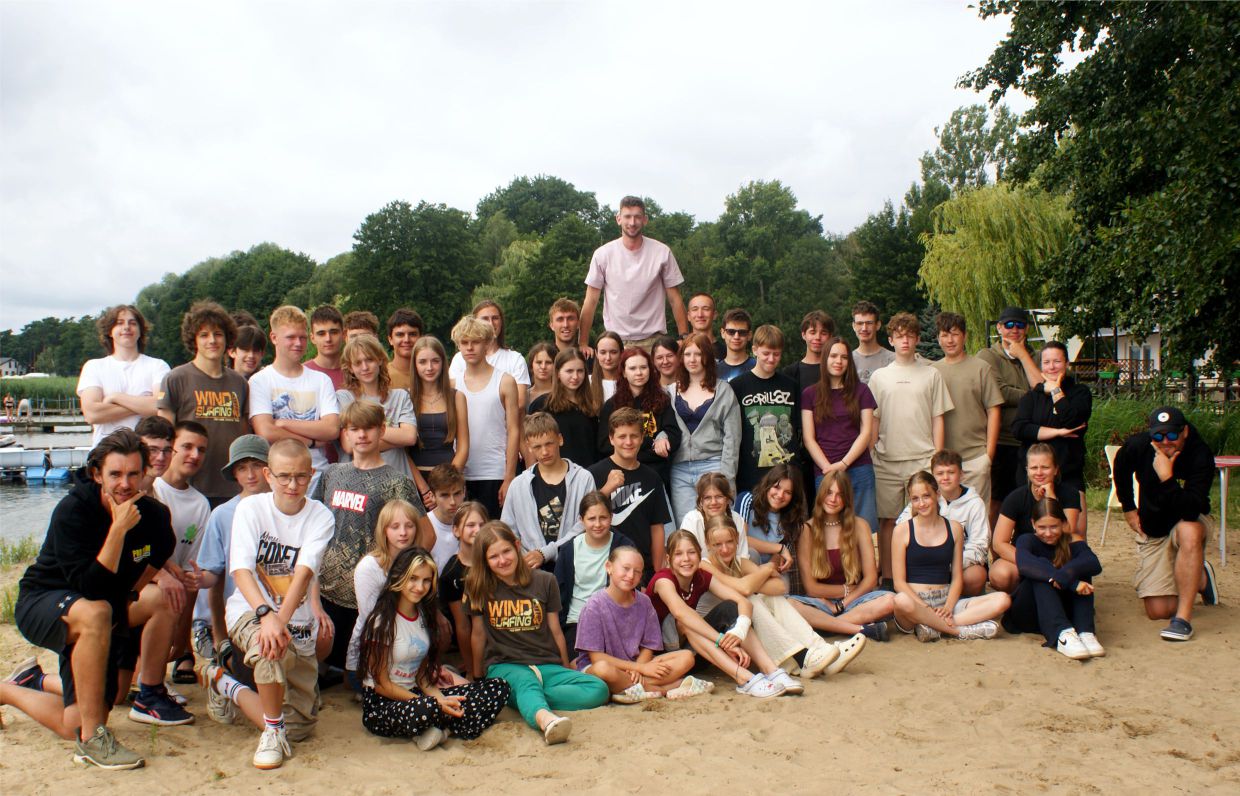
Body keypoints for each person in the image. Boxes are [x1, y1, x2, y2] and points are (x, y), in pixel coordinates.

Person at [2, 430, 179, 769]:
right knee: (96, 611)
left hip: (99, 615)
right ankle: (92, 740)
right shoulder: (73, 510)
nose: (125, 484)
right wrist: (118, 530)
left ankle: (17, 686)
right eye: (115, 474)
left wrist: (129, 597)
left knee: (83, 715)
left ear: (144, 473)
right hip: (44, 602)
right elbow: (92, 587)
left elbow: (157, 555)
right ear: (97, 474)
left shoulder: (155, 516)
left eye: (133, 474)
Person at [225, 439, 335, 769]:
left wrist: (279, 620)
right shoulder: (250, 508)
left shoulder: (320, 516)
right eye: (284, 476)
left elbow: (304, 573)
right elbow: (241, 570)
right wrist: (266, 616)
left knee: (300, 728)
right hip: (249, 609)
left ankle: (224, 683)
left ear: (311, 474)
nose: (292, 485)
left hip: (294, 617)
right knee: (267, 648)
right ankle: (272, 731)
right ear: (268, 475)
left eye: (300, 476)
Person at [466, 521, 609, 744]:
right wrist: (477, 678)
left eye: (506, 551)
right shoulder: (479, 586)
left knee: (598, 689)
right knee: (525, 680)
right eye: (493, 557)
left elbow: (555, 630)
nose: (502, 560)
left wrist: (563, 665)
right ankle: (545, 719)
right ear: (484, 560)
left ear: (517, 546)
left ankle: (522, 699)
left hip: (545, 663)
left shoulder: (545, 581)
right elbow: (478, 634)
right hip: (505, 665)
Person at [310, 401, 429, 671]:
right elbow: (313, 523)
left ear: (382, 430)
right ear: (346, 433)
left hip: (369, 596)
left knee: (361, 671)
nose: (362, 435)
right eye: (354, 429)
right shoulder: (332, 474)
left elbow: (425, 536)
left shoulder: (397, 481)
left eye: (369, 428)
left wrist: (398, 577)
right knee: (325, 666)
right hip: (327, 591)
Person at [357, 547, 509, 749]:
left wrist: (442, 700)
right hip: (384, 703)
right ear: (399, 577)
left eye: (426, 580)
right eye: (413, 578)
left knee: (498, 687)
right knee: (426, 708)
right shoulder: (381, 621)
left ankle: (441, 729)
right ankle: (443, 723)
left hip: (418, 694)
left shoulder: (423, 615)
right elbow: (381, 685)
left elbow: (422, 677)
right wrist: (435, 704)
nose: (419, 587)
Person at [700, 515, 853, 678]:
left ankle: (820, 649)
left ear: (737, 539)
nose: (725, 549)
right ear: (708, 544)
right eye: (717, 544)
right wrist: (766, 570)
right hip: (711, 631)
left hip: (739, 629)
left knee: (771, 598)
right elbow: (744, 589)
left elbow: (779, 587)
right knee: (751, 599)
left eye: (729, 542)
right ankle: (801, 658)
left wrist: (753, 581)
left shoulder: (740, 562)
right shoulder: (704, 565)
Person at [1114, 406, 1218, 642]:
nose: (1165, 442)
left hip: (1189, 518)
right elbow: (1120, 466)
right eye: (1158, 436)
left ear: (1185, 432)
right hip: (1155, 527)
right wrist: (1128, 508)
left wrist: (1167, 478)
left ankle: (1182, 620)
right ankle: (1201, 577)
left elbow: (1191, 510)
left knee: (1189, 531)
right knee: (1158, 611)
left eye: (1172, 435)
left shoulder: (1200, 454)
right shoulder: (1139, 445)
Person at [646, 530, 791, 698]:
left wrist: (739, 631)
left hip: (695, 652)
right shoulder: (663, 580)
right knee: (686, 621)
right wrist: (721, 641)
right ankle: (743, 677)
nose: (686, 559)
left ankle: (770, 669)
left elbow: (743, 602)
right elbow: (681, 613)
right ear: (669, 559)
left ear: (699, 555)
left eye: (691, 552)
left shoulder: (701, 576)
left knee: (730, 608)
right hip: (665, 658)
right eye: (678, 554)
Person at [869, 312, 953, 587]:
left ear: (917, 339)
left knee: (922, 517)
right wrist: (871, 451)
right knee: (888, 521)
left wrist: (938, 457)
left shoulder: (931, 374)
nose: (904, 341)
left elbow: (938, 418)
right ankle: (888, 578)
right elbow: (874, 419)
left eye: (909, 336)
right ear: (891, 340)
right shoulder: (879, 377)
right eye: (899, 336)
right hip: (887, 460)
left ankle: (917, 576)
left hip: (922, 458)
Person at [573, 546, 709, 703]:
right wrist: (640, 668)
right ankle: (662, 688)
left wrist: (639, 667)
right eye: (625, 568)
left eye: (637, 572)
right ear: (609, 567)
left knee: (686, 657)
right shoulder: (594, 606)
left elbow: (648, 646)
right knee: (603, 669)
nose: (631, 575)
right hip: (605, 668)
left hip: (638, 665)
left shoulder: (644, 602)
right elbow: (596, 658)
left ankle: (630, 688)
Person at [192, 434, 270, 699]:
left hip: (283, 612)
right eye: (242, 467)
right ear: (234, 473)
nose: (250, 474)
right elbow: (215, 579)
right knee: (255, 686)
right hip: (240, 617)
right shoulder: (222, 514)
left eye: (257, 465)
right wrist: (220, 636)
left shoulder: (287, 508)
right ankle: (220, 678)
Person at [891, 471, 1010, 641]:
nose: (921, 503)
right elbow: (899, 583)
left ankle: (935, 627)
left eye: (926, 496)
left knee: (1003, 599)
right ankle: (959, 631)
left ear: (937, 494)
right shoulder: (901, 531)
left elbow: (957, 577)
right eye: (915, 499)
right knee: (900, 600)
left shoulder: (954, 529)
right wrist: (925, 607)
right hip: (914, 603)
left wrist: (948, 606)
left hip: (945, 602)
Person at [157, 300, 249, 506]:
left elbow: (243, 436)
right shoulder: (175, 378)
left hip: (231, 486)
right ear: (194, 339)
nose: (212, 340)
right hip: (188, 484)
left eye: (218, 334)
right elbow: (164, 434)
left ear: (227, 338)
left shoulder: (240, 383)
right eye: (204, 335)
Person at [789, 471, 894, 641]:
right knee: (789, 605)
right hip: (821, 603)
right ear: (821, 494)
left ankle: (825, 627)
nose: (833, 499)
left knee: (890, 600)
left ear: (847, 499)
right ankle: (860, 628)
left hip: (854, 601)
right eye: (829, 492)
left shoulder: (860, 525)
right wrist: (843, 591)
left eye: (839, 494)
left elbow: (870, 579)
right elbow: (811, 588)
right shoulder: (807, 529)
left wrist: (842, 604)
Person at [248, 306, 340, 493]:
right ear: (274, 338)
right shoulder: (260, 380)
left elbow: (331, 429)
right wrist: (311, 441)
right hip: (277, 481)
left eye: (302, 337)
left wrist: (283, 423)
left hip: (317, 478)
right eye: (290, 337)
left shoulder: (321, 380)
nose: (298, 343)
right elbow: (266, 431)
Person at [579, 196, 688, 354]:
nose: (632, 222)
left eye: (637, 217)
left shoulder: (662, 252)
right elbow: (591, 301)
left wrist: (684, 336)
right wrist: (583, 342)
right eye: (627, 216)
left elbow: (674, 298)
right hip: (616, 342)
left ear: (645, 220)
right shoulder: (603, 254)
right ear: (618, 219)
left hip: (654, 340)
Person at [150, 421, 213, 688]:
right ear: (171, 448)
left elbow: (190, 573)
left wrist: (182, 637)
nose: (194, 455)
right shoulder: (151, 488)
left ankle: (183, 647)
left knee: (187, 582)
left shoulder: (200, 504)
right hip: (147, 580)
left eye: (201, 450)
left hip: (176, 588)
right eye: (187, 446)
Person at [1001, 497, 1104, 660]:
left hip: (1062, 609)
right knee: (1041, 570)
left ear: (1063, 524)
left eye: (1054, 526)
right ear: (1033, 524)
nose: (1048, 533)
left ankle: (1085, 631)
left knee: (1080, 569)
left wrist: (1066, 576)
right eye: (1042, 527)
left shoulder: (1072, 541)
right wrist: (1071, 583)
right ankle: (1062, 634)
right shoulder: (1027, 540)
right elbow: (1025, 565)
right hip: (1028, 612)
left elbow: (1094, 563)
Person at [1012, 341, 1091, 536]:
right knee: (1033, 530)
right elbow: (1019, 429)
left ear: (1067, 363)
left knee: (1075, 532)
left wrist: (1056, 391)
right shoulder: (1031, 397)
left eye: (1057, 361)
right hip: (1034, 475)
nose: (1052, 367)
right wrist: (1058, 432)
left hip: (1068, 471)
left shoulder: (1080, 393)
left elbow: (1073, 420)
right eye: (1046, 362)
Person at [801, 336, 878, 534]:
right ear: (825, 358)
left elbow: (866, 432)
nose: (838, 361)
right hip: (825, 470)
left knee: (866, 529)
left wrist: (843, 464)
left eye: (844, 357)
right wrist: (828, 468)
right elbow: (809, 438)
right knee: (829, 531)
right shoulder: (810, 394)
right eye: (833, 356)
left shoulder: (862, 391)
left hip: (859, 468)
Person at [502, 412, 597, 571]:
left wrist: (545, 553)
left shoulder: (583, 478)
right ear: (528, 446)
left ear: (560, 439)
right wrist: (525, 559)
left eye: (549, 444)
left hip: (573, 565)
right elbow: (508, 530)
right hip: (531, 569)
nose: (545, 452)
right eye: (537, 447)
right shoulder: (518, 485)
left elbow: (586, 525)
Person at [587, 407, 672, 582]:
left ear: (642, 438)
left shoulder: (652, 478)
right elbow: (583, 518)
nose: (628, 442)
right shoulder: (593, 474)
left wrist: (657, 574)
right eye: (622, 436)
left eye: (634, 436)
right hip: (603, 566)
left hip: (641, 569)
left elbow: (657, 527)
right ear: (611, 438)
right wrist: (607, 489)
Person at [977, 306, 1043, 527]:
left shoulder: (1037, 356)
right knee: (997, 501)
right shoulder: (987, 356)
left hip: (1031, 440)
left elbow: (1044, 386)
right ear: (999, 327)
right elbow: (999, 393)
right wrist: (1034, 395)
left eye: (1020, 325)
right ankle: (992, 545)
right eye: (1009, 325)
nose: (1014, 330)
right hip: (1002, 440)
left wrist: (1023, 355)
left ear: (1027, 329)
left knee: (1030, 498)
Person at [344, 503, 422, 683]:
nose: (403, 533)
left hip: (411, 650)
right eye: (395, 527)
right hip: (375, 654)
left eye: (409, 526)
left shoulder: (420, 562)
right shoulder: (369, 567)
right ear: (384, 530)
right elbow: (371, 618)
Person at [668, 333, 741, 524]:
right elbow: (663, 426)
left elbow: (732, 438)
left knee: (717, 524)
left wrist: (727, 477)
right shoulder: (670, 391)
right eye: (687, 354)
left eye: (698, 354)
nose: (692, 359)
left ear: (707, 357)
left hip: (713, 465)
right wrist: (660, 436)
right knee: (686, 527)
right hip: (680, 469)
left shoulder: (723, 390)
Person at [931, 312, 1003, 507]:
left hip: (975, 457)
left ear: (965, 336)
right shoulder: (932, 371)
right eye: (944, 335)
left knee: (977, 516)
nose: (950, 340)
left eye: (955, 334)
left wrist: (988, 456)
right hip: (943, 462)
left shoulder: (981, 368)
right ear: (938, 338)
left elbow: (994, 410)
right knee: (944, 518)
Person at [896, 450, 991, 596]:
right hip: (925, 565)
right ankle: (920, 601)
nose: (945, 478)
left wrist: (949, 563)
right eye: (940, 473)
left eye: (951, 472)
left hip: (960, 565)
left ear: (961, 474)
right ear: (933, 476)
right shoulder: (924, 498)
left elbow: (980, 545)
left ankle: (959, 602)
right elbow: (902, 526)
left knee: (976, 575)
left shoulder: (974, 503)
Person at [451, 315, 520, 518]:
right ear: (458, 346)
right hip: (461, 472)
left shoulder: (505, 381)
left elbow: (514, 430)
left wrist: (509, 476)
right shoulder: (452, 384)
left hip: (494, 471)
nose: (470, 348)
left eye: (476, 342)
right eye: (464, 342)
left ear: (488, 343)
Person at [990, 444, 1082, 593]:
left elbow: (1067, 531)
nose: (1039, 472)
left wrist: (1051, 498)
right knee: (1000, 574)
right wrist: (1032, 563)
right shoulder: (1016, 497)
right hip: (1025, 555)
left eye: (1045, 467)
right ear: (1027, 470)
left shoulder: (1070, 494)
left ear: (1056, 469)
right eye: (1034, 468)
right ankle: (1021, 597)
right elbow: (999, 543)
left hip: (1059, 556)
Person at [77, 305, 170, 446]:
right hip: (105, 451)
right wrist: (143, 405)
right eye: (119, 323)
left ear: (140, 331)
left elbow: (161, 406)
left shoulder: (158, 366)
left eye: (132, 323)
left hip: (146, 452)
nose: (126, 327)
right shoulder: (94, 367)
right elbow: (92, 414)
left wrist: (115, 398)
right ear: (110, 331)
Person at [553, 491, 635, 650]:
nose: (597, 524)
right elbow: (558, 593)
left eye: (603, 518)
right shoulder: (569, 549)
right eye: (591, 519)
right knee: (587, 663)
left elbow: (633, 588)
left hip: (615, 622)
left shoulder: (624, 547)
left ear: (611, 517)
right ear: (581, 520)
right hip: (577, 622)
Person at [731, 324, 799, 514]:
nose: (771, 359)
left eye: (776, 354)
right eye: (766, 353)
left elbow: (796, 428)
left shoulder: (790, 385)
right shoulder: (737, 386)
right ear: (754, 350)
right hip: (750, 474)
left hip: (785, 476)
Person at [597, 347, 681, 490]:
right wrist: (653, 444)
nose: (639, 373)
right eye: (632, 368)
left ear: (650, 370)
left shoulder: (662, 401)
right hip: (623, 478)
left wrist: (663, 440)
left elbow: (674, 436)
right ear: (624, 372)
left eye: (643, 367)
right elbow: (604, 445)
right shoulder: (612, 405)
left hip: (656, 476)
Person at [336, 334, 418, 479]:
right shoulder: (344, 398)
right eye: (358, 363)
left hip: (397, 479)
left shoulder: (400, 396)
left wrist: (363, 442)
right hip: (358, 481)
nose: (365, 367)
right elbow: (349, 446)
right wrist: (397, 439)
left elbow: (410, 437)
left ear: (380, 360)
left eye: (370, 360)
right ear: (350, 367)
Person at [409, 336, 469, 510]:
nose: (429, 367)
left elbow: (464, 447)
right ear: (415, 365)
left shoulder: (457, 397)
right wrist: (425, 490)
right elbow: (402, 452)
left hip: (450, 483)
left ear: (443, 363)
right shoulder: (406, 397)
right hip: (415, 482)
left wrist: (445, 487)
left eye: (435, 361)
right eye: (423, 362)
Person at [449, 300, 532, 409]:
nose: (491, 323)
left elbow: (519, 402)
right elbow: (452, 397)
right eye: (485, 319)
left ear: (501, 322)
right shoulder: (459, 359)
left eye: (495, 318)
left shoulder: (515, 359)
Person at [528, 347, 599, 469]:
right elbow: (532, 443)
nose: (575, 376)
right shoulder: (542, 405)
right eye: (569, 371)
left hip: (587, 474)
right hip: (553, 474)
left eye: (580, 371)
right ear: (558, 373)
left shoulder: (590, 406)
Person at [440, 501, 488, 675]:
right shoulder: (451, 572)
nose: (477, 530)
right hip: (473, 634)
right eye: (470, 525)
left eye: (482, 525)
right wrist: (471, 668)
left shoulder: (496, 560)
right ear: (456, 530)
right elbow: (463, 626)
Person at [745, 463, 807, 578]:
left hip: (770, 572)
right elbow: (739, 540)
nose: (780, 495)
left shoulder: (792, 520)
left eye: (787, 492)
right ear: (768, 485)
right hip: (744, 568)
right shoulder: (748, 500)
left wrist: (780, 553)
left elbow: (777, 560)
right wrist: (780, 548)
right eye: (776, 487)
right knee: (751, 554)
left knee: (782, 583)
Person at [679, 472, 754, 561]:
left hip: (732, 567)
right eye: (707, 498)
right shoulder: (692, 520)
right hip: (700, 568)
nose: (714, 502)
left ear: (727, 499)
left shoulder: (736, 519)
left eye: (719, 496)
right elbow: (688, 560)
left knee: (753, 554)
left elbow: (742, 557)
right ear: (701, 501)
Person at [424, 464, 467, 572]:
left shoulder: (474, 523)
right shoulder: (424, 525)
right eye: (445, 495)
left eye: (457, 494)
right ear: (432, 496)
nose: (452, 502)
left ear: (464, 492)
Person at [783, 310, 836, 394]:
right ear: (803, 335)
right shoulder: (791, 372)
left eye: (823, 333)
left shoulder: (837, 368)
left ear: (830, 336)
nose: (818, 337)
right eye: (812, 332)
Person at [849, 301, 895, 385]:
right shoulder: (847, 360)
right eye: (860, 323)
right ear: (853, 326)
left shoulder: (893, 360)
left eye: (869, 323)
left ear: (878, 325)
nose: (864, 328)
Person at [304, 305, 345, 389]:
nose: (328, 339)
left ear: (343, 335)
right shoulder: (302, 374)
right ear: (312, 338)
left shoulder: (358, 372)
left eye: (334, 332)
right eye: (321, 334)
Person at [385, 308, 424, 392]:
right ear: (390, 339)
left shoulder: (432, 374)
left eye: (412, 334)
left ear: (421, 338)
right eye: (400, 335)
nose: (406, 340)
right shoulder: (382, 377)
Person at [134, 415, 175, 495]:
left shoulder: (163, 497)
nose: (161, 457)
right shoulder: (116, 493)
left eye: (167, 450)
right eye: (152, 450)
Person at [715, 308, 755, 383]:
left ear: (749, 335)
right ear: (722, 333)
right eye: (731, 332)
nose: (736, 337)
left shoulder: (758, 368)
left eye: (742, 332)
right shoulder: (713, 372)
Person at [686, 292, 724, 359]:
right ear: (688, 316)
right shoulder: (680, 351)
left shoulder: (726, 353)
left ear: (714, 315)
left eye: (706, 309)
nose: (700, 315)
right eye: (695, 309)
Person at [590, 330, 623, 404]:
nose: (608, 358)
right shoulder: (587, 382)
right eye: (603, 352)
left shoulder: (630, 382)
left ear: (621, 353)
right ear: (596, 353)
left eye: (613, 352)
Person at [526, 342, 557, 408]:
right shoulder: (524, 396)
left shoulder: (561, 394)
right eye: (539, 362)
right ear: (531, 365)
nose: (543, 367)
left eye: (548, 362)